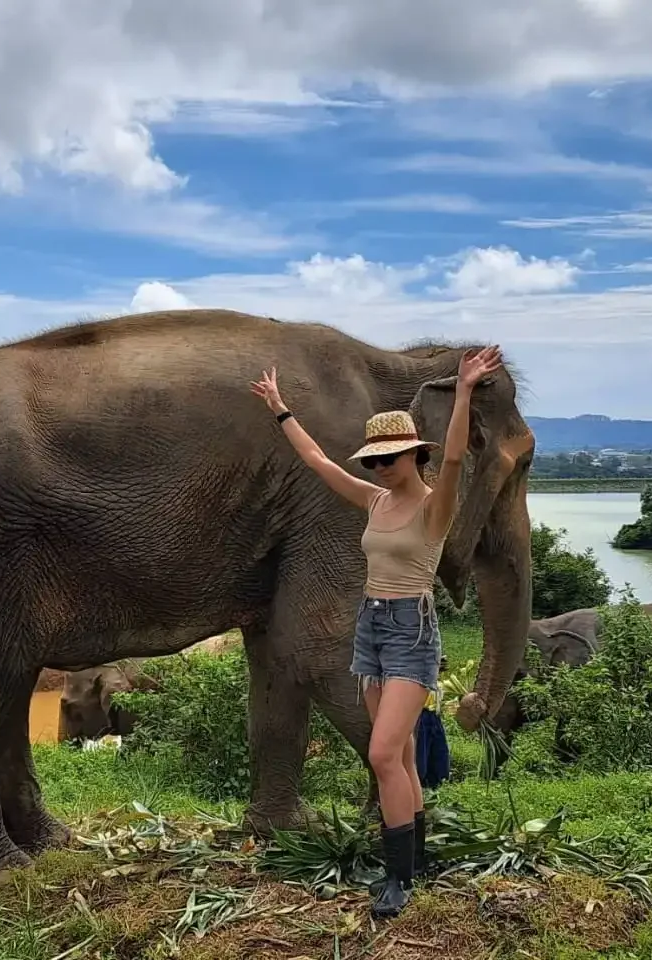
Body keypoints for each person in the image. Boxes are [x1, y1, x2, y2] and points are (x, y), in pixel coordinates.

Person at [250, 345, 503, 918]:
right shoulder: (374, 501)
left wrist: (463, 392)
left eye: (390, 458)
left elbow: (459, 459)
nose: (380, 468)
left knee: (384, 753)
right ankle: (415, 859)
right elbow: (317, 461)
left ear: (415, 455)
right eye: (373, 461)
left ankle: (397, 879)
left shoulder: (435, 508)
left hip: (413, 630)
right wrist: (281, 409)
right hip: (370, 627)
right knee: (405, 756)